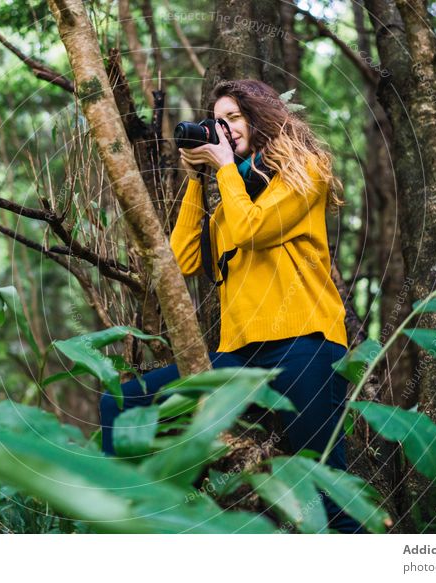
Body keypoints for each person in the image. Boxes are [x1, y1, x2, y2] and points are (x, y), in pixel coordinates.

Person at [99, 79, 365, 533]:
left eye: (233, 118)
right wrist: (198, 179)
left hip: (304, 346)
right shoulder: (229, 198)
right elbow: (181, 258)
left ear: (259, 117)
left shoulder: (306, 170)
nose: (223, 128)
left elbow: (253, 231)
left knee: (328, 500)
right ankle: (130, 523)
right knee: (121, 402)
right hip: (238, 357)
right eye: (216, 121)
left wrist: (223, 168)